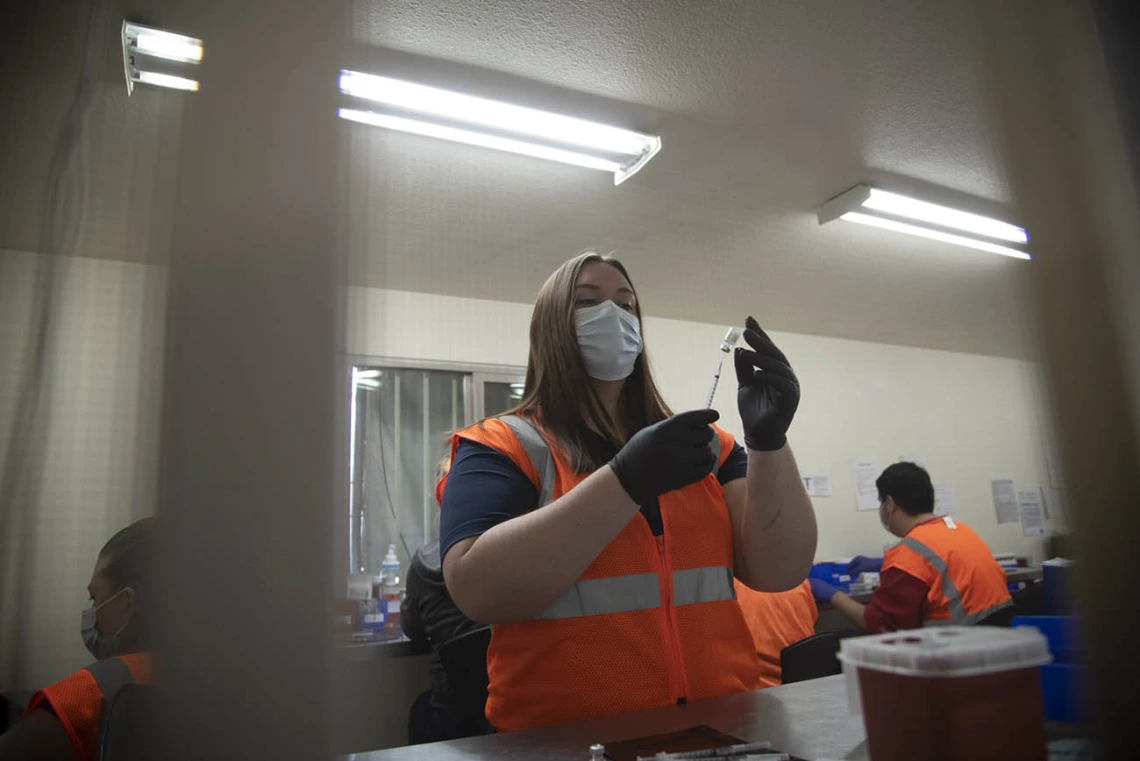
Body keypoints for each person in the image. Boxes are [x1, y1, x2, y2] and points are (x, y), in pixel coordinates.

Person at [438, 251, 818, 731]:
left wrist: (769, 443)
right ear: (551, 328)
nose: (613, 317)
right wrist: (625, 481)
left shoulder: (708, 449)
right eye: (586, 302)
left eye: (626, 304)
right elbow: (477, 591)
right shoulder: (503, 445)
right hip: (568, 740)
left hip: (718, 727)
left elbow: (779, 570)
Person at [0, 517, 156, 761]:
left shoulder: (87, 696)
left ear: (127, 603)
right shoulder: (216, 687)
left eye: (94, 599)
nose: (92, 614)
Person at [811, 462, 1011, 632]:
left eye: (881, 502)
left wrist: (831, 594)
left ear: (890, 504)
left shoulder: (907, 554)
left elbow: (878, 625)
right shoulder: (958, 530)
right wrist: (882, 564)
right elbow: (941, 567)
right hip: (997, 644)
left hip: (953, 656)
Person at [402, 456, 491, 744]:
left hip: (450, 720)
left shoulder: (422, 565)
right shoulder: (509, 554)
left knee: (420, 709)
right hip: (507, 715)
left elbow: (413, 629)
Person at [733, 578, 818, 688]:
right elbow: (812, 619)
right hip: (804, 680)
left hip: (758, 689)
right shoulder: (797, 579)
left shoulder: (728, 586)